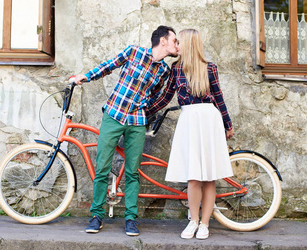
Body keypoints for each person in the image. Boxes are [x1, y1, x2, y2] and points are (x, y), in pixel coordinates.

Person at [73, 25, 178, 236]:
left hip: (137, 122)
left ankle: (130, 219)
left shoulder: (164, 70)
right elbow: (109, 66)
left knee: (132, 171)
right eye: (175, 40)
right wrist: (86, 76)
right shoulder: (134, 52)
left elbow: (156, 96)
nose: (178, 45)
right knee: (102, 167)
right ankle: (96, 216)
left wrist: (145, 112)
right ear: (163, 41)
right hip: (113, 115)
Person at [147, 29, 234, 240]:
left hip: (209, 120)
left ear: (189, 44)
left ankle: (205, 223)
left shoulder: (210, 68)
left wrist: (227, 124)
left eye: (180, 42)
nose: (177, 45)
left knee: (209, 176)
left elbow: (219, 98)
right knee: (194, 176)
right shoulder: (175, 69)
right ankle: (193, 220)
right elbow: (165, 98)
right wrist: (144, 109)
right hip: (189, 120)